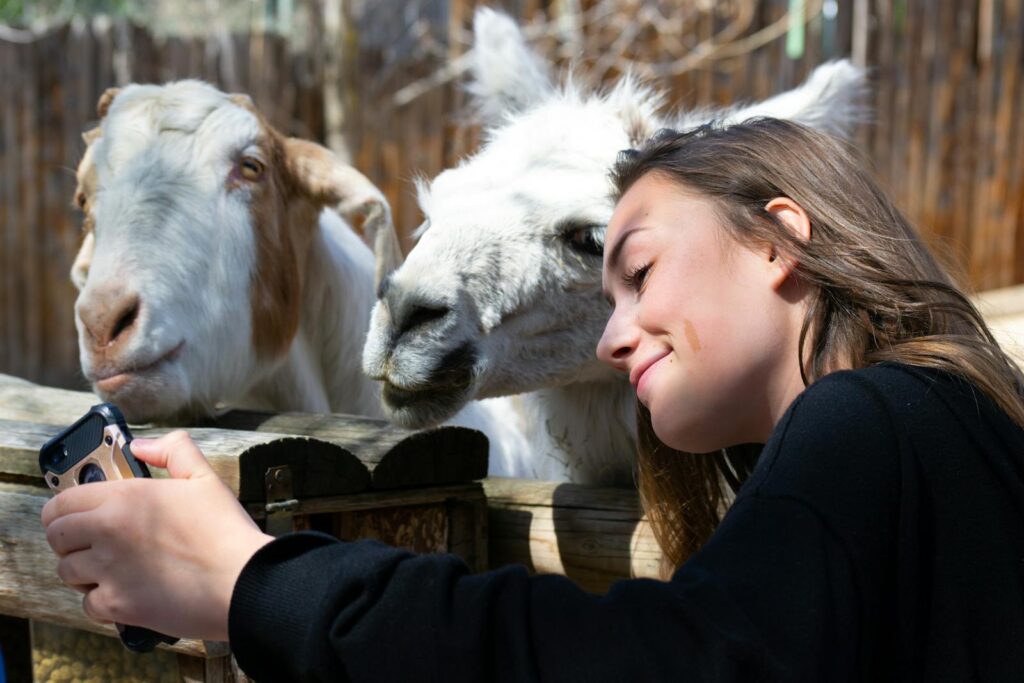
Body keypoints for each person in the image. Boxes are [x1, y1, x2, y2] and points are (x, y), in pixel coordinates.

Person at [41, 118, 1024, 682]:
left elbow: (654, 668)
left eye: (635, 268)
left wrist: (256, 581)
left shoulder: (869, 418)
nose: (608, 334)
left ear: (778, 241)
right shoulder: (951, 429)